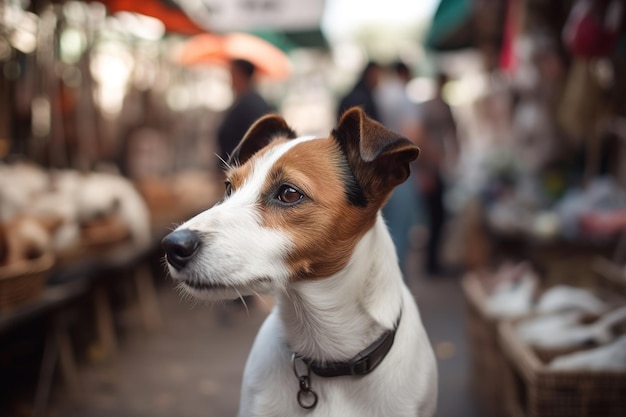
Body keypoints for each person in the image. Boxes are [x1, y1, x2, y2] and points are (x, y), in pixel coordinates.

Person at [376, 61, 422, 271]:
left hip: (376, 173)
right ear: (406, 73)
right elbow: (413, 134)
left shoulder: (380, 93)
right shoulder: (403, 97)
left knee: (383, 232)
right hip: (399, 171)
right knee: (400, 232)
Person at [416, 73, 459, 277]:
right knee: (435, 217)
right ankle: (432, 263)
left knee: (438, 218)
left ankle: (434, 261)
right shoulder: (428, 107)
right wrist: (427, 168)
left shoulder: (441, 106)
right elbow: (422, 141)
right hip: (432, 167)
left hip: (438, 165)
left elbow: (453, 132)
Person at [217, 59, 273, 164]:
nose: (230, 79)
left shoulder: (252, 104)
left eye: (232, 73)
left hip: (243, 168)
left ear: (241, 74)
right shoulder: (243, 101)